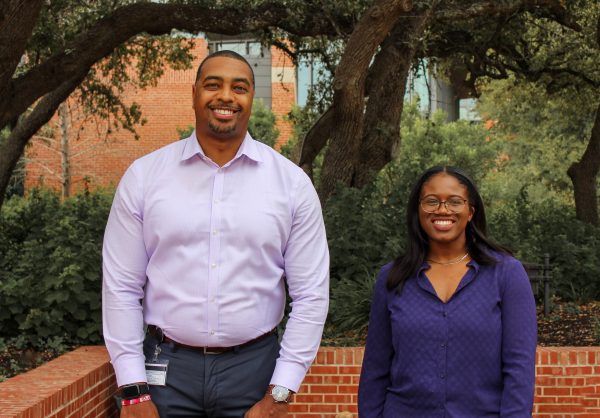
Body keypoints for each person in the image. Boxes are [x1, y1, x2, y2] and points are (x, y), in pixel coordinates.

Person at [102, 50, 329, 418]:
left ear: (251, 98)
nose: (226, 96)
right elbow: (121, 288)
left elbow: (311, 297)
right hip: (165, 370)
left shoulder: (291, 185)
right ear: (194, 93)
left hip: (254, 371)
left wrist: (281, 393)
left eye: (239, 87)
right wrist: (133, 391)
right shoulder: (145, 177)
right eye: (213, 85)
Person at [358, 166, 537, 417]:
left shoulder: (506, 274)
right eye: (431, 201)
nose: (442, 210)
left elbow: (520, 368)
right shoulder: (392, 278)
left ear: (470, 211)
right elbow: (375, 368)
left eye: (454, 202)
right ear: (418, 210)